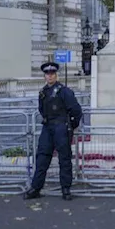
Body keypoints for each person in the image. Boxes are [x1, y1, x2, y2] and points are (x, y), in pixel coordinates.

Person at [25, 62, 83, 200]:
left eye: (52, 74)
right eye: (47, 74)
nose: (49, 76)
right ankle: (36, 188)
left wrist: (70, 126)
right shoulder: (43, 92)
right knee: (42, 157)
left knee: (64, 158)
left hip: (61, 127)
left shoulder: (64, 91)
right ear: (45, 76)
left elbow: (76, 110)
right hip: (48, 127)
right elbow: (41, 109)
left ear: (56, 75)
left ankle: (66, 189)